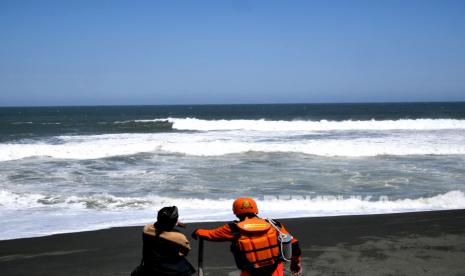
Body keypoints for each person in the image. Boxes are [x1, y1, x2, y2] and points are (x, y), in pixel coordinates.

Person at [192, 198, 302, 276]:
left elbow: (211, 235)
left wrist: (198, 231)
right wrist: (295, 263)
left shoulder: (233, 228)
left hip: (250, 272)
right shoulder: (273, 224)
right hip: (274, 271)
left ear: (235, 212)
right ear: (255, 210)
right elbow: (294, 244)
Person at [134, 206, 196, 276]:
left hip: (150, 267)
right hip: (171, 270)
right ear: (174, 221)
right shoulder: (179, 237)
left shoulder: (146, 230)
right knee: (185, 266)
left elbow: (155, 225)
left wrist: (171, 222)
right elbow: (185, 251)